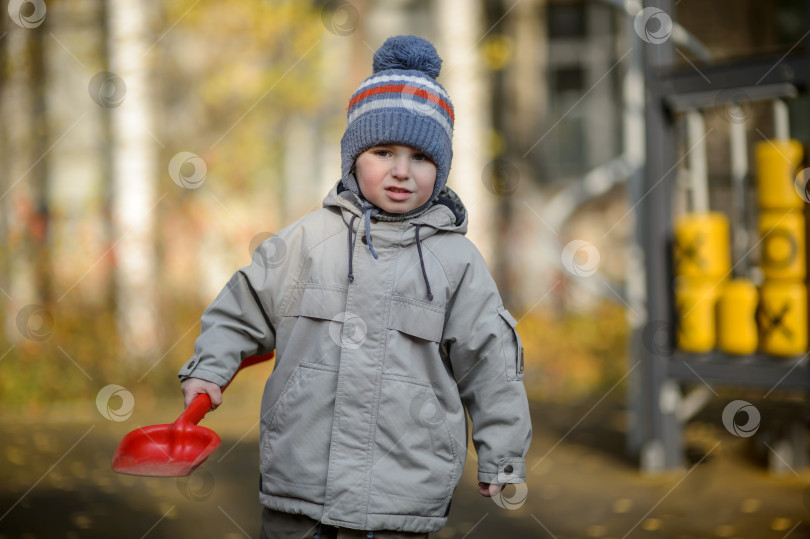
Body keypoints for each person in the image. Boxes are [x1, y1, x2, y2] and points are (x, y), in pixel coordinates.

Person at [178, 35, 532, 539]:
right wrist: (209, 369)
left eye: (421, 158)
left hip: (401, 493)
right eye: (383, 151)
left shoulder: (456, 263)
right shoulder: (308, 241)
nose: (401, 171)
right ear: (352, 157)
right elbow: (243, 306)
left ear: (442, 168)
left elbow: (492, 364)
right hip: (300, 482)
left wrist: (503, 456)